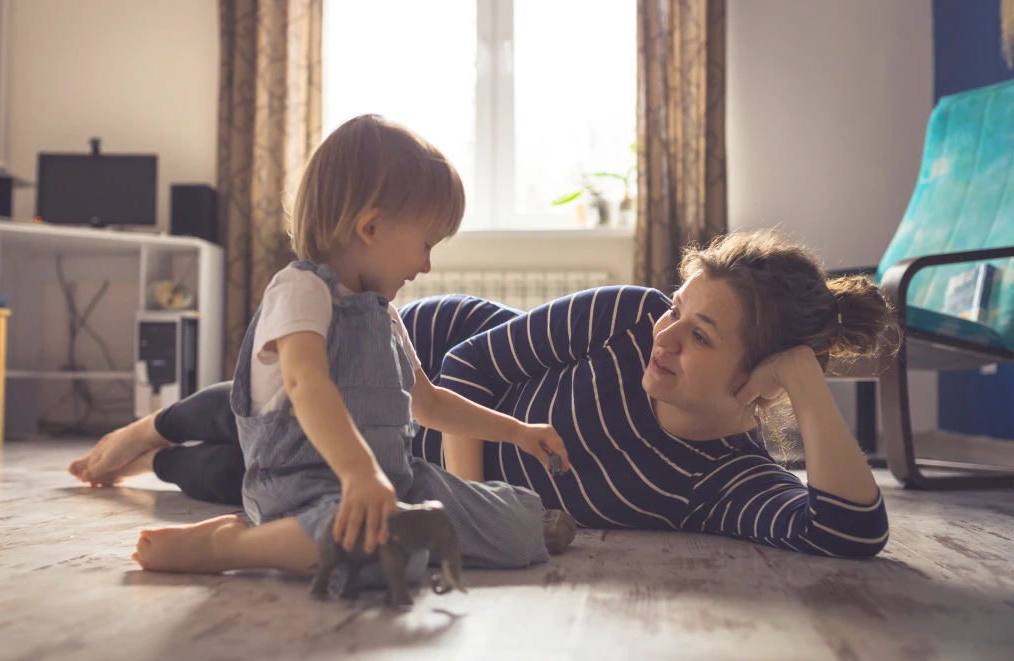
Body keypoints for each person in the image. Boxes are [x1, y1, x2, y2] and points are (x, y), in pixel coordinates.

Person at [74, 231, 897, 559]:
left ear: (756, 383)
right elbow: (461, 374)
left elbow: (852, 534)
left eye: (701, 337)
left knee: (224, 482)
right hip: (431, 363)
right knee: (270, 413)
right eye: (679, 310)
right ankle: (145, 428)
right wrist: (462, 509)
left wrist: (802, 379)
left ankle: (167, 460)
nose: (666, 335)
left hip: (416, 475)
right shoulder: (628, 315)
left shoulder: (724, 479)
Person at [75, 114, 578, 580]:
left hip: (394, 484)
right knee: (386, 551)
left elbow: (427, 403)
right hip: (306, 493)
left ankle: (402, 527)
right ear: (370, 227)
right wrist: (358, 473)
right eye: (427, 244)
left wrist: (516, 431)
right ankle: (228, 546)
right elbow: (305, 381)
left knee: (518, 527)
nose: (427, 266)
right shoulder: (301, 290)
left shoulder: (385, 315)